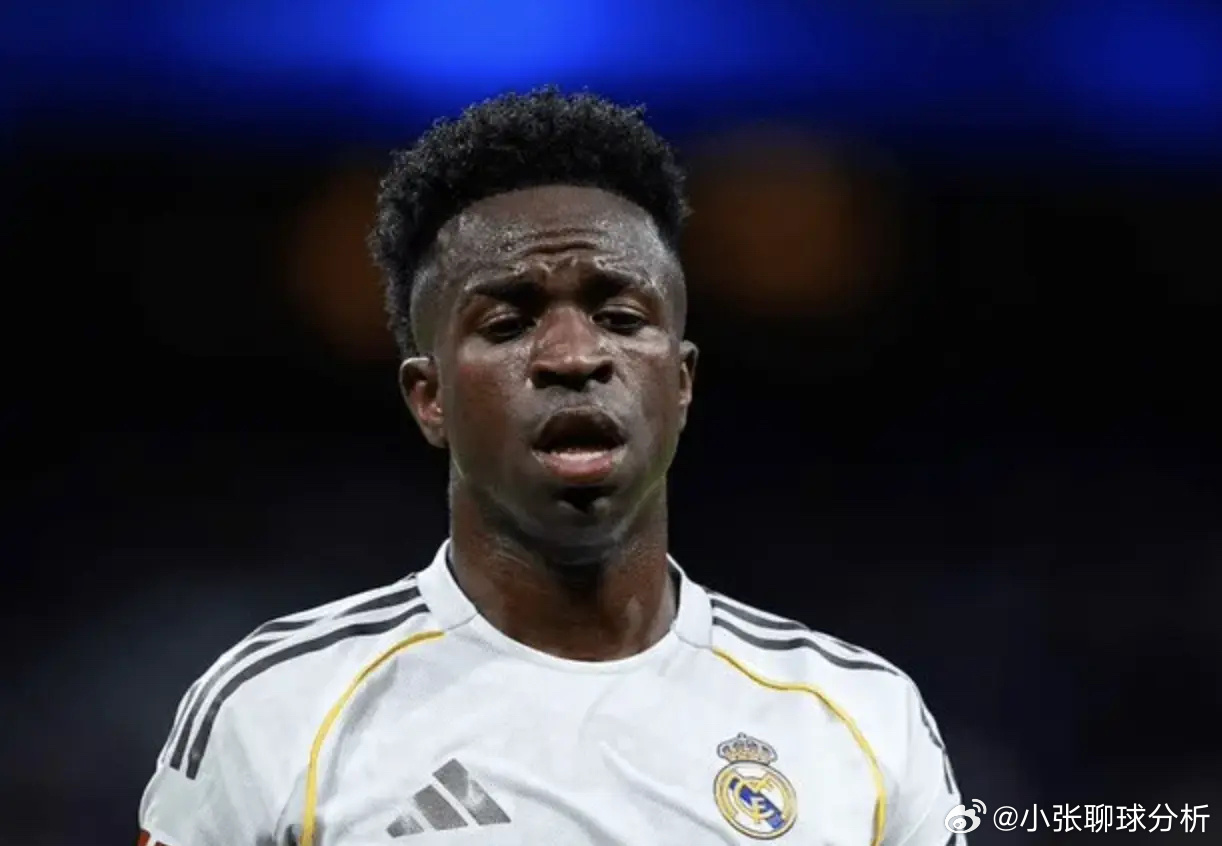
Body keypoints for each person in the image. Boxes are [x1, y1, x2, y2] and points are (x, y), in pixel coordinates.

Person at [139, 87, 964, 846]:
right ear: (430, 398)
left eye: (620, 317)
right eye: (508, 324)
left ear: (680, 384)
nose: (574, 356)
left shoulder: (862, 720)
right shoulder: (274, 710)